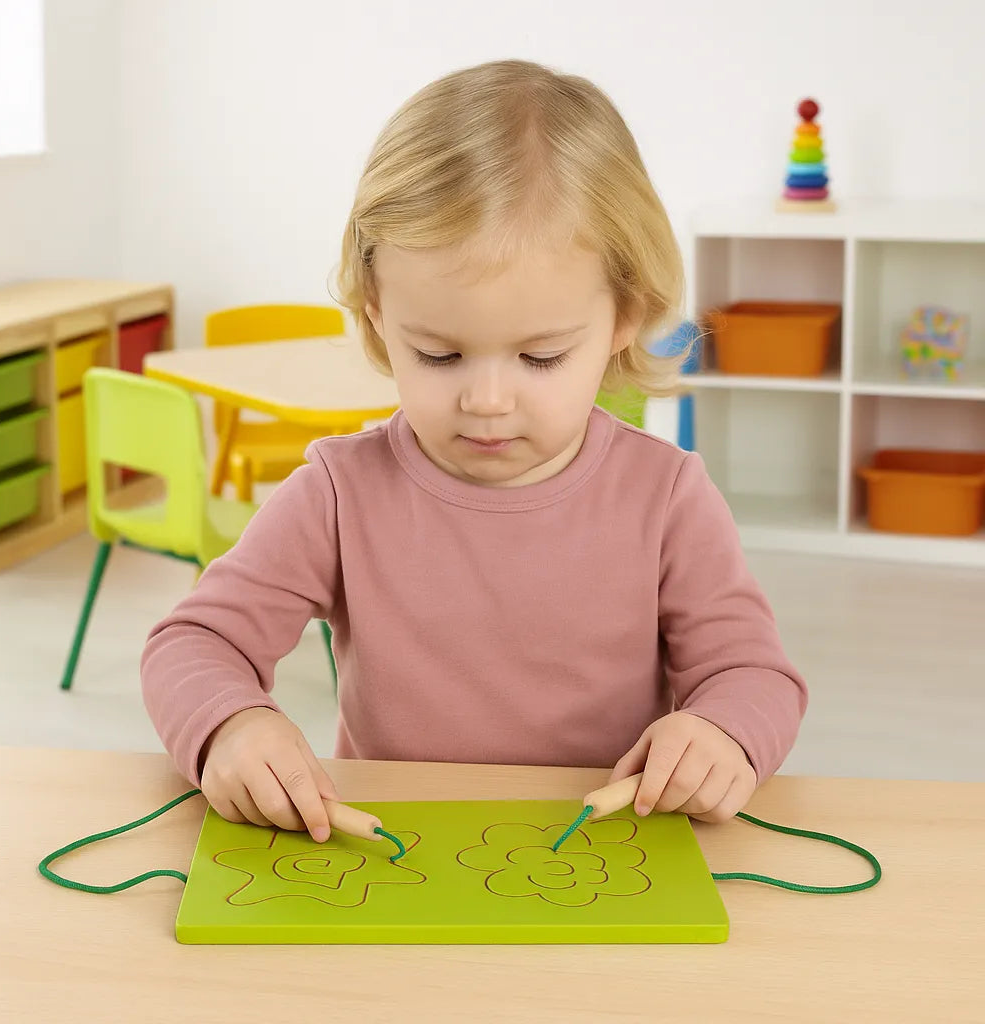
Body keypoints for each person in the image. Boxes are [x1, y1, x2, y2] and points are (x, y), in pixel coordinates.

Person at [141, 59, 807, 844]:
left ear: (627, 314)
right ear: (376, 311)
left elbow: (753, 674)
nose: (487, 401)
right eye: (440, 354)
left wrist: (723, 734)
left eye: (541, 358)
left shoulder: (665, 496)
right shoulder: (337, 493)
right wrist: (232, 726)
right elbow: (194, 643)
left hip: (605, 855)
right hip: (396, 856)